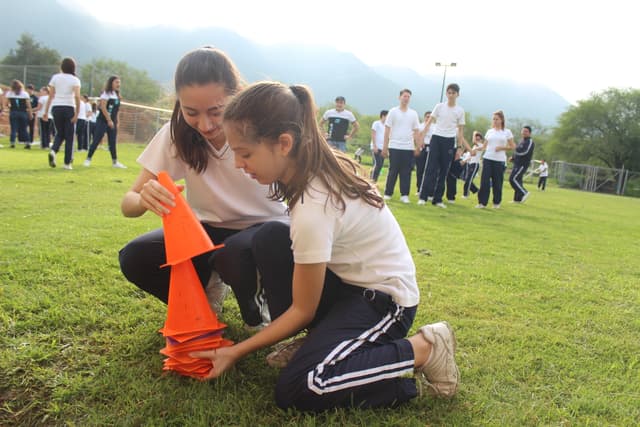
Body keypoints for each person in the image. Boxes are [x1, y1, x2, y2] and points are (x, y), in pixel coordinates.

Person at [191, 81, 460, 412]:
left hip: (386, 302)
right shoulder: (311, 165)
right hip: (347, 286)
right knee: (269, 238)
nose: (238, 164)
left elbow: (301, 309)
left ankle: (422, 349)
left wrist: (235, 350)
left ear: (284, 143)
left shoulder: (315, 203)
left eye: (245, 153)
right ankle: (323, 343)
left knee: (302, 388)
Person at [118, 47, 289, 330]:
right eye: (191, 112)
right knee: (135, 256)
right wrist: (143, 199)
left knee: (235, 253)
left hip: (266, 231)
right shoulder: (177, 134)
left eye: (216, 111)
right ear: (179, 103)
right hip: (205, 232)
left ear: (238, 95)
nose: (205, 125)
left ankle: (257, 310)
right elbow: (128, 201)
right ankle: (207, 292)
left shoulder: (262, 129)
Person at [418, 83, 471, 208]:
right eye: (449, 92)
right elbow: (429, 122)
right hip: (436, 139)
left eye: (453, 93)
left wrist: (459, 147)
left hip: (449, 141)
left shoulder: (460, 111)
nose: (451, 95)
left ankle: (438, 199)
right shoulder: (439, 106)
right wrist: (421, 138)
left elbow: (461, 130)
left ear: (457, 94)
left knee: (444, 171)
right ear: (446, 94)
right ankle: (423, 197)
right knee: (430, 169)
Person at [382, 89, 420, 203]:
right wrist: (385, 146)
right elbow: (387, 129)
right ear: (399, 97)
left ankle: (404, 195)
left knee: (406, 172)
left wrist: (418, 146)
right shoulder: (393, 112)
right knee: (393, 170)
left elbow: (416, 130)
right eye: (404, 96)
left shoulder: (413, 113)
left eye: (408, 96)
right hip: (394, 145)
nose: (406, 98)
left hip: (408, 147)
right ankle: (388, 193)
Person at [44, 57, 81, 169]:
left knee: (60, 133)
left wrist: (46, 112)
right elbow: (77, 97)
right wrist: (77, 113)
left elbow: (51, 96)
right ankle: (67, 163)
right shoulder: (75, 80)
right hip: (69, 107)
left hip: (56, 107)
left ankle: (54, 151)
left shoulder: (55, 78)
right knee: (69, 136)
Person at [476, 110, 515, 209]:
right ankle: (482, 203)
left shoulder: (507, 132)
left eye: (497, 119)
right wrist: (476, 149)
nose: (495, 121)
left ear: (502, 120)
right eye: (493, 119)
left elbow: (512, 146)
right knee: (484, 181)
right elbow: (485, 146)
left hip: (499, 160)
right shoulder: (490, 131)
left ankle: (496, 203)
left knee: (497, 182)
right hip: (488, 158)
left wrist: (501, 148)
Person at [84, 76, 126, 168]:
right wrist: (109, 120)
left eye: (119, 82)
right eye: (116, 82)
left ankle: (115, 162)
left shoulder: (117, 95)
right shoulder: (106, 94)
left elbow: (117, 110)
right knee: (96, 139)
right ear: (111, 83)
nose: (118, 84)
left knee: (112, 142)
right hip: (103, 120)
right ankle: (88, 159)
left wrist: (116, 121)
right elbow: (103, 107)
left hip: (113, 121)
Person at [4, 80, 33, 149]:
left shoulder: (10, 93)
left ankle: (12, 143)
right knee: (24, 129)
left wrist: (9, 106)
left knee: (13, 128)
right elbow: (28, 105)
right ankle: (27, 143)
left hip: (13, 112)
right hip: (23, 113)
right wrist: (30, 114)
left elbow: (6, 104)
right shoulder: (25, 94)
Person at [509, 125, 535, 203]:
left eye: (526, 131)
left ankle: (524, 192)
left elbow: (525, 152)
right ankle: (517, 199)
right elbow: (518, 150)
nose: (524, 132)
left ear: (530, 133)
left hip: (522, 164)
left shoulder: (530, 142)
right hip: (517, 163)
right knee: (518, 180)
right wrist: (513, 157)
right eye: (523, 131)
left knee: (512, 179)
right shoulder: (522, 141)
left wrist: (515, 150)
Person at [415, 111, 433, 195]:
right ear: (424, 117)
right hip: (422, 148)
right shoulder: (420, 126)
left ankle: (429, 191)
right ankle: (419, 189)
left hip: (432, 148)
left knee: (430, 171)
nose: (428, 118)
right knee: (420, 170)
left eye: (430, 117)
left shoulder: (435, 127)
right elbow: (417, 136)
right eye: (427, 116)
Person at [462, 131, 483, 198]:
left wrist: (474, 133)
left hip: (475, 164)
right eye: (476, 139)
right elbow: (470, 155)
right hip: (470, 164)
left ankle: (466, 195)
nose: (477, 140)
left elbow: (473, 141)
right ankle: (477, 190)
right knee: (466, 179)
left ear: (481, 139)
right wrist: (465, 161)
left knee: (468, 180)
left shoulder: (481, 145)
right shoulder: (474, 146)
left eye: (478, 139)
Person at [369, 110, 387, 182]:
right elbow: (373, 134)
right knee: (378, 164)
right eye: (387, 116)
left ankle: (372, 177)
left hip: (382, 148)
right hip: (376, 147)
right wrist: (374, 146)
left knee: (380, 165)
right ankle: (373, 181)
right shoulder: (376, 123)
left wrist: (386, 149)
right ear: (383, 116)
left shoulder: (387, 126)